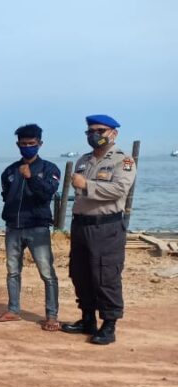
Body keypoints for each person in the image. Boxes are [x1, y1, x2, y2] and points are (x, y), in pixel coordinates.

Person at [60, 115, 135, 345]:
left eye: (100, 131)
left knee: (106, 275)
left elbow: (120, 189)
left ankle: (109, 325)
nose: (94, 135)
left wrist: (87, 185)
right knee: (80, 273)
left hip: (106, 227)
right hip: (81, 226)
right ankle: (87, 319)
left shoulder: (123, 161)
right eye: (90, 131)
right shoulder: (84, 160)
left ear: (113, 133)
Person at [0, 124, 61, 330]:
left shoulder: (49, 169)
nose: (27, 147)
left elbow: (47, 193)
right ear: (18, 145)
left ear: (40, 143)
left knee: (46, 273)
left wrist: (31, 178)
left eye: (31, 143)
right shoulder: (9, 171)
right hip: (13, 227)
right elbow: (6, 195)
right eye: (23, 144)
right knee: (12, 271)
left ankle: (51, 315)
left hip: (38, 227)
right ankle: (13, 310)